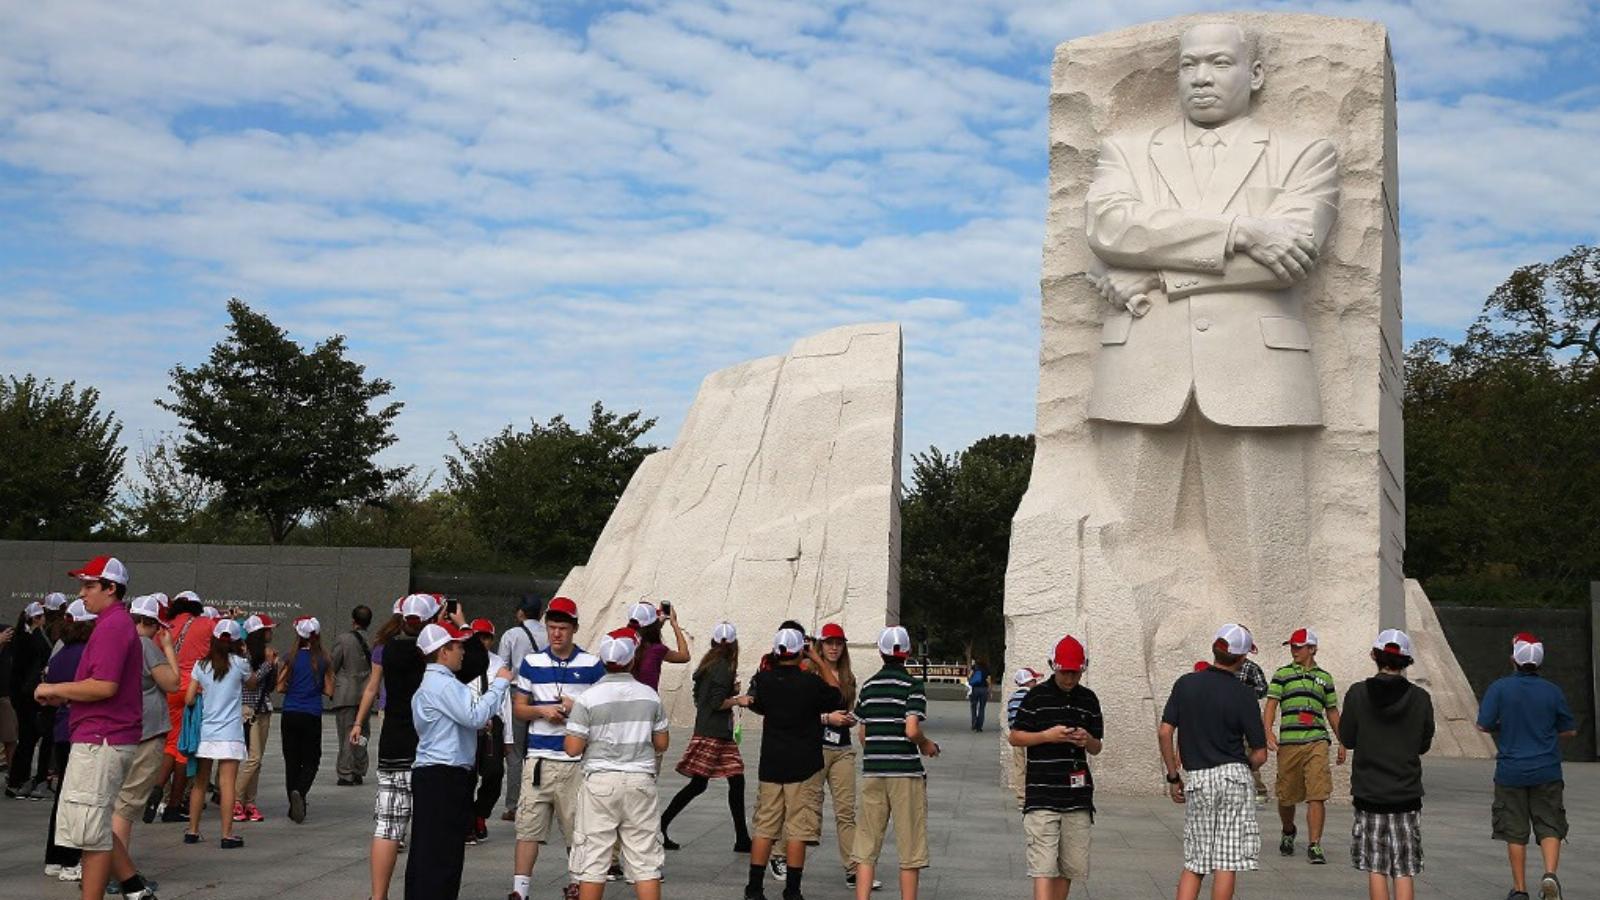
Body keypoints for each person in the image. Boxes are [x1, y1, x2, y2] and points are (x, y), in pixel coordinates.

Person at [34, 556, 159, 900]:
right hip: (103, 736)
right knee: (97, 822)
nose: (83, 592)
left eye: (90, 585)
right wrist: (67, 697)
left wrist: (53, 689)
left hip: (101, 739)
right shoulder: (114, 623)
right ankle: (135, 889)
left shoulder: (112, 626)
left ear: (111, 588)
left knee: (92, 832)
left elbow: (104, 686)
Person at [1157, 623, 1269, 900]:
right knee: (1226, 863)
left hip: (1200, 778)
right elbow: (1260, 753)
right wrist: (1247, 765)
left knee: (1195, 863)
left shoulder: (1186, 684)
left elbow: (1164, 731)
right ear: (1243, 658)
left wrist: (1173, 776)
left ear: (1215, 649)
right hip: (1234, 777)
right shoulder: (1244, 694)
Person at [406, 621, 513, 900]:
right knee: (443, 855)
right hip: (445, 775)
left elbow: (458, 722)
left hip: (435, 774)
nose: (463, 652)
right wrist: (500, 682)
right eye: (458, 646)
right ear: (443, 651)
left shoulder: (432, 683)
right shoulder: (442, 685)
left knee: (430, 851)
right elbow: (475, 715)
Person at [741, 625, 850, 900]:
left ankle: (754, 888)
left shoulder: (764, 681)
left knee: (765, 827)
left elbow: (756, 704)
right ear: (801, 649)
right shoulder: (811, 684)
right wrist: (816, 659)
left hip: (771, 765)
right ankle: (792, 890)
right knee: (798, 829)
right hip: (803, 765)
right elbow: (838, 695)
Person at [564, 628, 672, 899]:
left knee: (594, 862)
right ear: (632, 659)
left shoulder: (588, 698)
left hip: (600, 782)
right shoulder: (649, 695)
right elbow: (662, 743)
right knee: (645, 862)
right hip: (640, 781)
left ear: (602, 661)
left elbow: (573, 748)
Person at [510, 596, 605, 900]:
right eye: (552, 627)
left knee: (576, 830)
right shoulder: (532, 662)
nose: (556, 634)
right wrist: (543, 711)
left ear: (575, 628)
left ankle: (576, 885)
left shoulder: (591, 665)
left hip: (574, 761)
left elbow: (603, 712)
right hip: (537, 759)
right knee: (527, 829)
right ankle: (519, 891)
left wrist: (575, 708)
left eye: (563, 628)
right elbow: (519, 708)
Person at [1476, 632, 1578, 900]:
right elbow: (1569, 730)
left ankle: (1520, 889)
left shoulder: (1499, 688)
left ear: (1513, 660)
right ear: (1540, 664)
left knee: (1515, 831)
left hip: (1511, 771)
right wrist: (1547, 733)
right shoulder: (1553, 691)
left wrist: (1504, 726)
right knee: (1550, 824)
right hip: (1547, 769)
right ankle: (1549, 875)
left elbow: (1483, 724)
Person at [351, 593, 438, 900]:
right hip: (427, 746)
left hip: (392, 743)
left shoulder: (384, 648)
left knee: (387, 828)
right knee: (428, 831)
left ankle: (378, 896)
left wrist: (359, 722)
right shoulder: (432, 652)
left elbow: (373, 686)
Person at [1338, 629, 1434, 900]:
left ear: (1374, 656)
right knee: (1404, 869)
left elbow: (1347, 737)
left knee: (1376, 867)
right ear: (1407, 661)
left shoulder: (1357, 693)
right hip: (1406, 792)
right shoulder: (1420, 698)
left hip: (1369, 792)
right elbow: (1423, 744)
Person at [1008, 636, 1103, 900]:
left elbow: (1097, 747)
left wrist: (1087, 739)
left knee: (1069, 867)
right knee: (1042, 868)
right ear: (1053, 665)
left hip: (1077, 796)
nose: (1070, 679)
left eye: (1075, 673)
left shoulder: (1089, 699)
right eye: (1065, 672)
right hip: (1041, 795)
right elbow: (1015, 736)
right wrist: (1047, 736)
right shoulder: (1036, 697)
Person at [851, 626, 938, 900]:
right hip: (905, 774)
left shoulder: (869, 686)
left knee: (867, 844)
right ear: (908, 653)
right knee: (910, 847)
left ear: (880, 652)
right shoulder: (912, 685)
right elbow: (911, 729)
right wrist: (926, 745)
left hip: (873, 771)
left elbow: (862, 733)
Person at [660, 621, 753, 852]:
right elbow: (716, 702)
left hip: (712, 731)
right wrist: (737, 699)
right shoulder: (723, 666)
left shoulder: (708, 665)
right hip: (715, 734)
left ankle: (742, 838)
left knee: (727, 781)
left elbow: (700, 697)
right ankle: (660, 826)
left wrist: (728, 692)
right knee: (706, 784)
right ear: (734, 645)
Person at [1263, 627, 1345, 863]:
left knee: (1317, 794)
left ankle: (1314, 844)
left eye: (1298, 647)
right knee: (1286, 796)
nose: (1294, 650)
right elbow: (1271, 705)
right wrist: (1268, 731)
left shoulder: (1325, 678)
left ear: (1312, 649)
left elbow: (1332, 711)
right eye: (1292, 646)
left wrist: (1342, 740)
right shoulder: (1282, 674)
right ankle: (1288, 830)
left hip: (1317, 741)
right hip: (1289, 743)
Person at [811, 622, 879, 891]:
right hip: (815, 746)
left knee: (846, 812)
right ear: (820, 645)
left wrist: (850, 719)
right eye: (829, 643)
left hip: (842, 748)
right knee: (807, 808)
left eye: (838, 643)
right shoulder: (811, 672)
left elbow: (850, 707)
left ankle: (853, 869)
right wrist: (827, 717)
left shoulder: (848, 676)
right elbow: (799, 713)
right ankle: (781, 855)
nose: (834, 648)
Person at [114, 595, 179, 855]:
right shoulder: (145, 645)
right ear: (150, 623)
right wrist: (169, 649)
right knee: (126, 807)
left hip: (119, 728)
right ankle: (116, 871)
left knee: (115, 801)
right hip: (146, 731)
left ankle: (98, 866)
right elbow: (173, 683)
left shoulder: (119, 641)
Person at [183, 619, 254, 848]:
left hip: (206, 731)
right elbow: (252, 683)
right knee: (227, 784)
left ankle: (192, 831)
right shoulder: (240, 664)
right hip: (230, 732)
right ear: (236, 641)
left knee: (199, 783)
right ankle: (226, 834)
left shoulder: (201, 666)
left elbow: (189, 698)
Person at [42, 599, 97, 881]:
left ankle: (54, 857)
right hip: (84, 730)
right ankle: (72, 859)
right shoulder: (89, 654)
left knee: (64, 795)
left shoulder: (59, 655)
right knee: (80, 798)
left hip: (62, 728)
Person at [153, 590, 214, 823]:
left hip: (168, 687)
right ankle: (174, 805)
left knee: (170, 743)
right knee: (184, 749)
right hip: (193, 691)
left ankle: (158, 787)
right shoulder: (206, 624)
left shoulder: (164, 627)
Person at [277, 616, 333, 823]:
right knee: (312, 759)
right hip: (311, 713)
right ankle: (300, 792)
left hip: (290, 712)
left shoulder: (289, 657)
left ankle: (294, 806)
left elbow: (280, 686)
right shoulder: (324, 659)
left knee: (292, 760)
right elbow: (329, 690)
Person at [498, 596, 549, 822]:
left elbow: (502, 668)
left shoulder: (511, 634)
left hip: (516, 693)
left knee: (515, 752)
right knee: (539, 750)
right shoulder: (550, 634)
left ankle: (514, 805)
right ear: (540, 613)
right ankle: (540, 801)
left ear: (520, 613)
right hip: (544, 696)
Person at [466, 617, 513, 845]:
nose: (482, 641)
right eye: (478, 637)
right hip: (469, 718)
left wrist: (509, 737)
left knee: (494, 773)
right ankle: (467, 824)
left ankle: (480, 813)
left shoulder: (498, 664)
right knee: (467, 774)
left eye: (486, 637)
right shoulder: (464, 661)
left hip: (494, 722)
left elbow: (506, 704)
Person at [232, 614, 279, 823]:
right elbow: (250, 683)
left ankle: (249, 802)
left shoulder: (262, 654)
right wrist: (268, 664)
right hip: (248, 710)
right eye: (268, 629)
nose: (272, 632)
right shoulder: (244, 654)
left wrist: (273, 666)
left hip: (264, 708)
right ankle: (234, 798)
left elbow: (269, 686)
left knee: (257, 762)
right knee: (254, 757)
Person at [7, 600, 51, 800]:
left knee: (26, 737)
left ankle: (17, 778)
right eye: (42, 616)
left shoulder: (21, 637)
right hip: (28, 695)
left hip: (21, 694)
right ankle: (18, 779)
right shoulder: (31, 639)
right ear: (36, 618)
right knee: (28, 737)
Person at [332, 604, 374, 787]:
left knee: (347, 733)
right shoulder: (375, 641)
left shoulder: (343, 639)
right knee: (363, 733)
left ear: (353, 620)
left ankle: (346, 772)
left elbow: (333, 664)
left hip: (346, 693)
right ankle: (359, 769)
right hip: (367, 692)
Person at [1232, 641, 1270, 804]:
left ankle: (1258, 789)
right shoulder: (1224, 670)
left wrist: (1245, 693)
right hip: (1228, 717)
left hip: (1246, 717)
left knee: (1250, 753)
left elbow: (1263, 689)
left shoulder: (1251, 668)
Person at [626, 601, 691, 691]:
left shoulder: (622, 642)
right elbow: (684, 656)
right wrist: (674, 624)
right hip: (647, 700)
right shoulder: (656, 650)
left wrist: (657, 624)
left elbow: (643, 633)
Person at [1006, 667, 1044, 810]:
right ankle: (1035, 795)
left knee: (1019, 767)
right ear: (1029, 682)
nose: (1036, 683)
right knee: (1034, 765)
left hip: (1017, 736)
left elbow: (1010, 720)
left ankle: (1022, 798)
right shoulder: (1033, 697)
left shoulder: (1012, 698)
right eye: (1034, 680)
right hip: (1032, 737)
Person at [967, 658, 990, 732]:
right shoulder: (987, 668)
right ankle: (979, 726)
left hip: (975, 689)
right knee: (982, 708)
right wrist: (989, 690)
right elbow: (988, 680)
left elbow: (969, 676)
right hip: (984, 689)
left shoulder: (975, 668)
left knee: (973, 706)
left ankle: (974, 724)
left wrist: (970, 680)